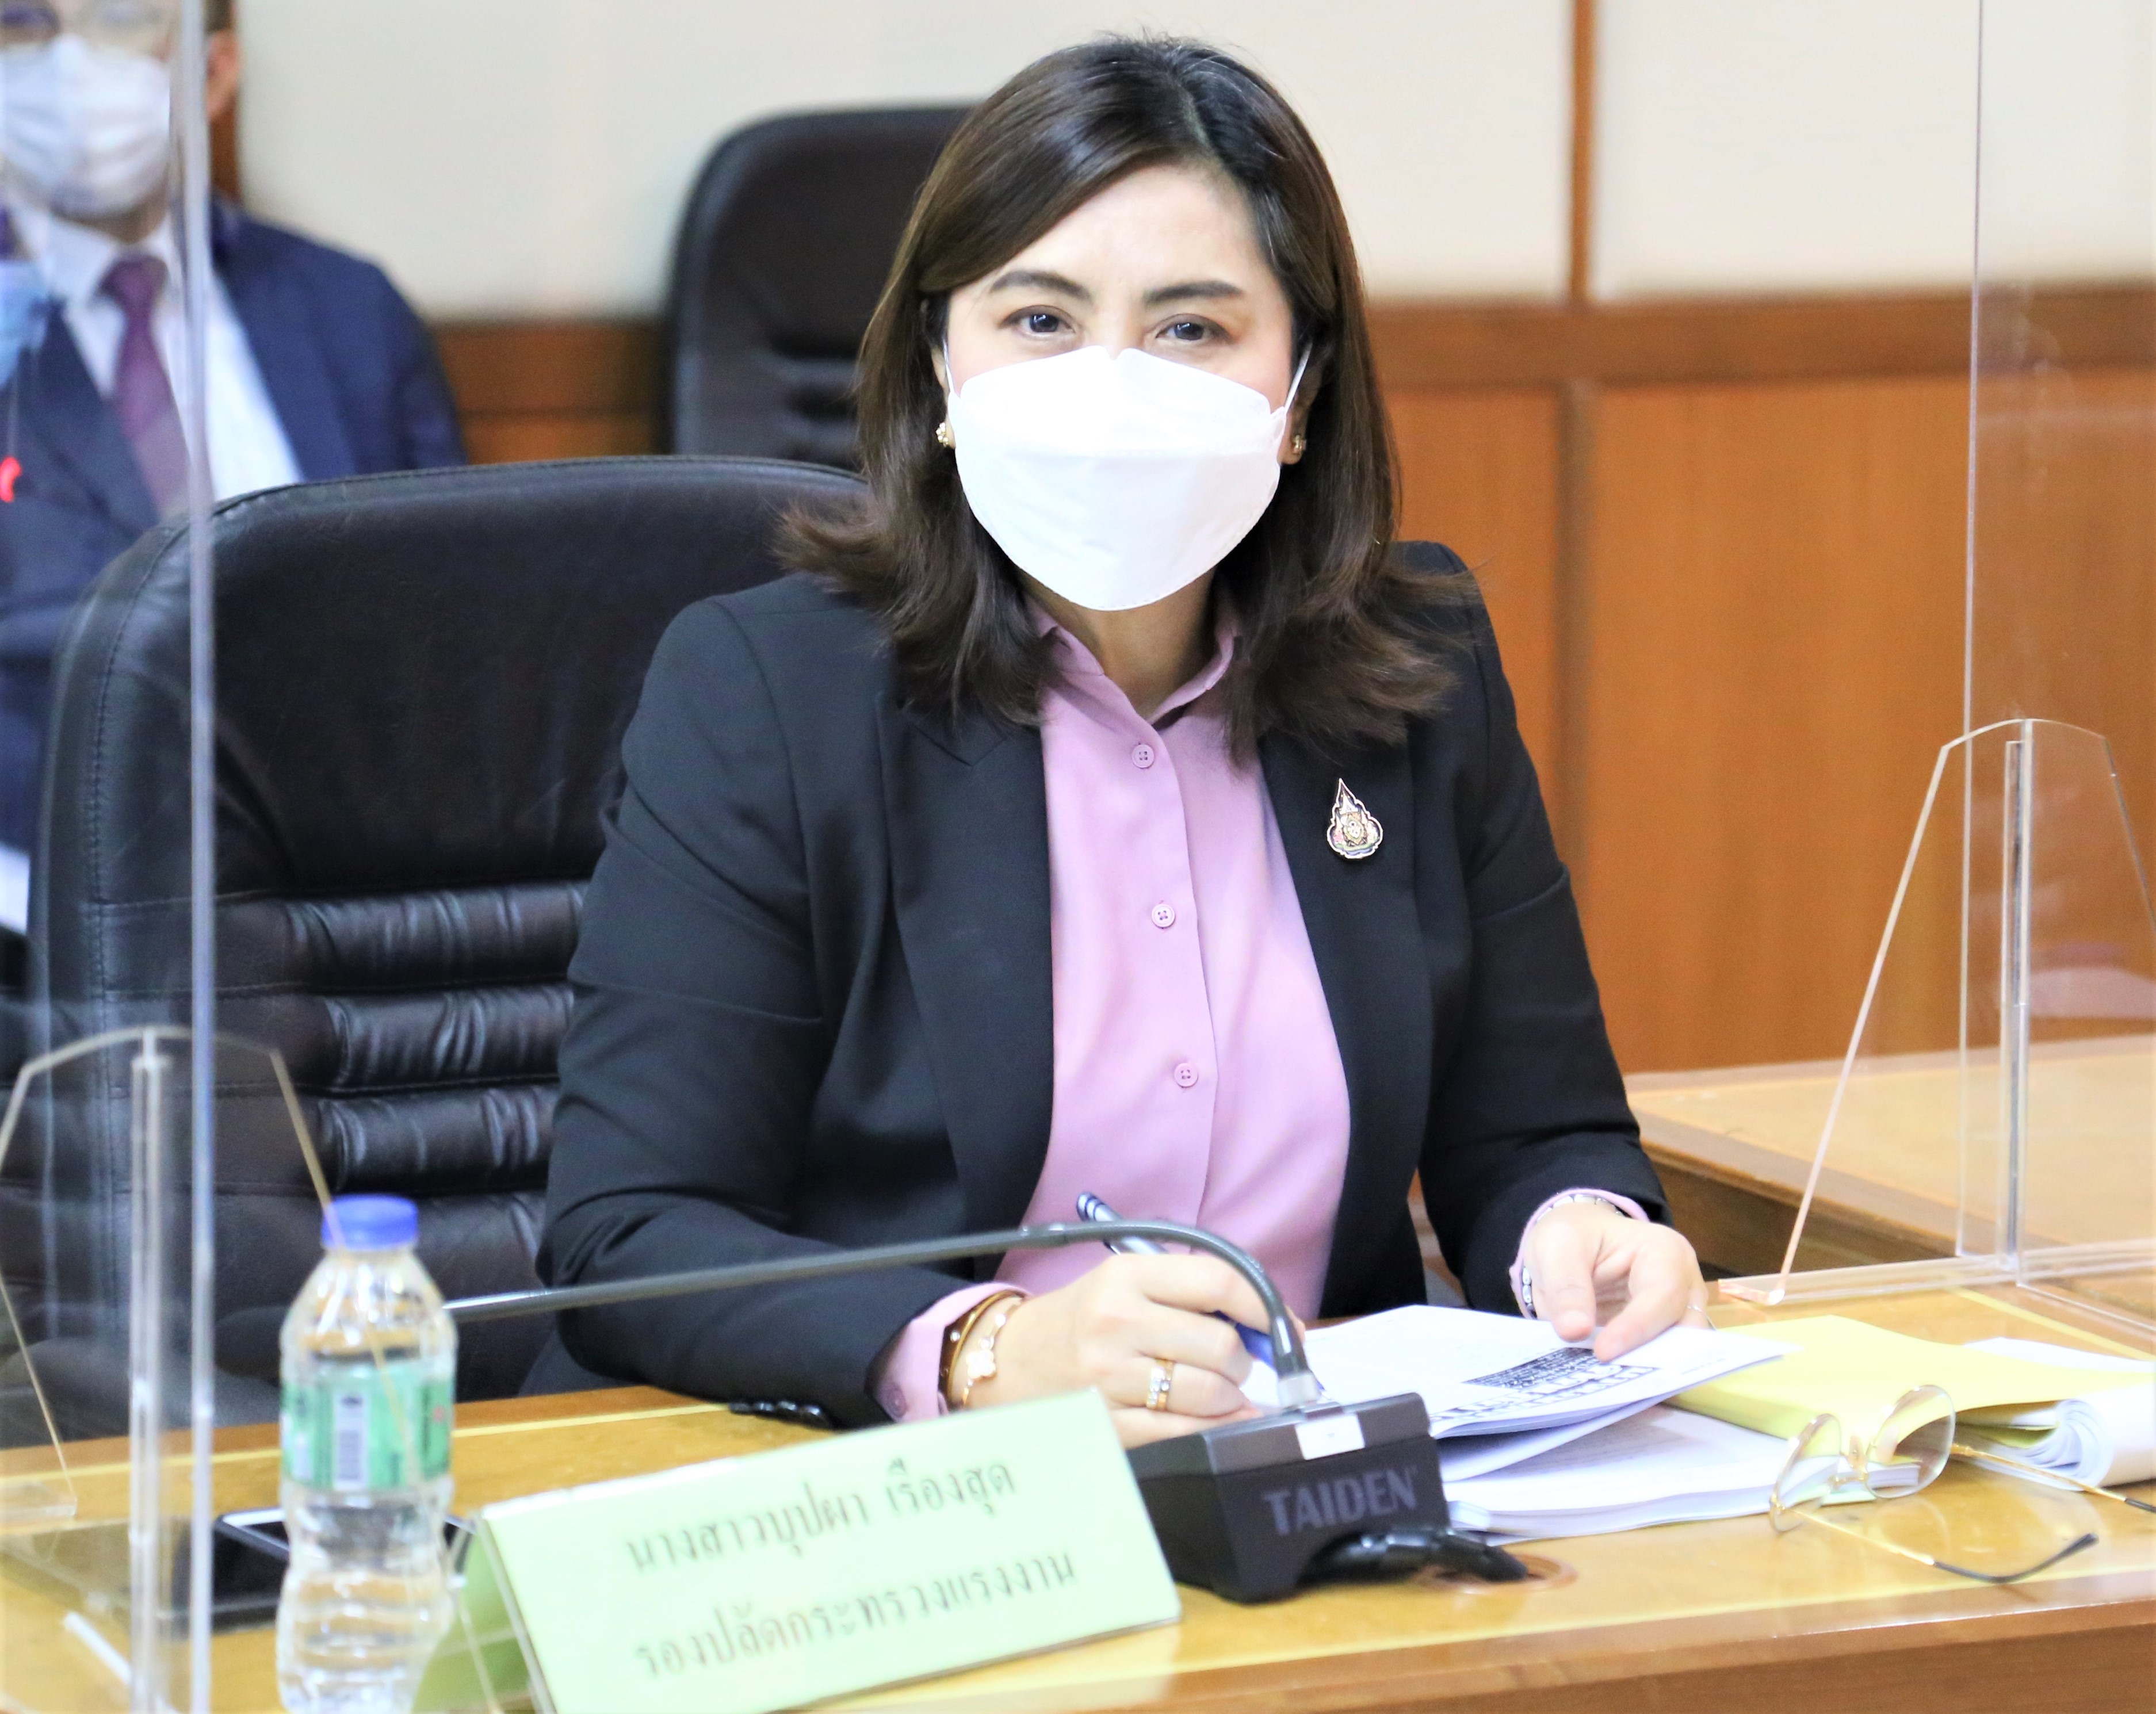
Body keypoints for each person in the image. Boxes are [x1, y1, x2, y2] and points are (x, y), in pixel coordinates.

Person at [536, 37, 1707, 1445]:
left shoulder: (1420, 666)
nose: (1109, 383)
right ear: (940, 367)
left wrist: (1577, 1231)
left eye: (1190, 329)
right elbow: (631, 1231)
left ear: (1300, 393)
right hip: (905, 1482)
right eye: (1038, 319)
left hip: (1315, 1478)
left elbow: (1531, 1130)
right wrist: (983, 1349)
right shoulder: (766, 691)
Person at [0, 0, 464, 902]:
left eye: (119, 19)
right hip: (39, 895)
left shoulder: (347, 308)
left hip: (337, 879)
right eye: (25, 24)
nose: (70, 66)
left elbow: (455, 616)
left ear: (213, 74)